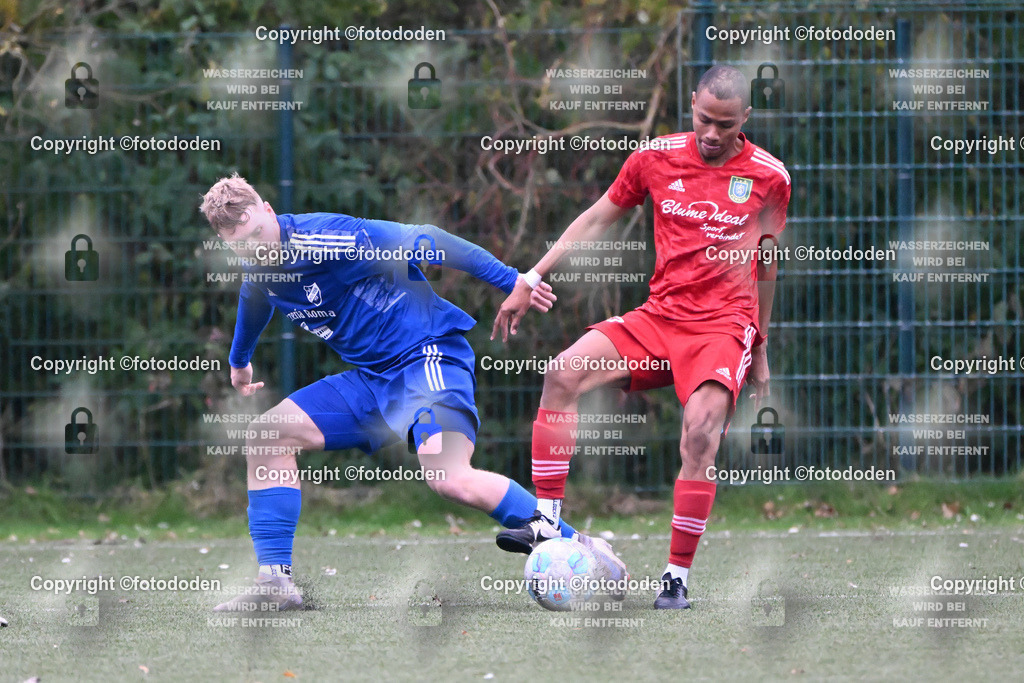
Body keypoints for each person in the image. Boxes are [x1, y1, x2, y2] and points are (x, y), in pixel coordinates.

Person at [199, 174, 624, 611]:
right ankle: (275, 583)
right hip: (372, 380)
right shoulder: (259, 265)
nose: (256, 248)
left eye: (258, 233)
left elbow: (428, 238)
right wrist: (239, 360)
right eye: (242, 245)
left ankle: (584, 549)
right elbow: (256, 297)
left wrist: (512, 281)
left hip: (427, 359)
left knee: (449, 478)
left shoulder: (329, 238)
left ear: (269, 211)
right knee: (267, 435)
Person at [491, 65, 791, 609]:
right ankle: (547, 520)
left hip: (724, 326)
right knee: (562, 373)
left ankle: (675, 579)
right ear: (692, 103)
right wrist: (530, 278)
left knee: (699, 434)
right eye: (704, 119)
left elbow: (767, 263)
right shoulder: (654, 157)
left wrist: (761, 345)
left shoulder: (770, 177)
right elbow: (595, 219)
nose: (712, 133)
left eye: (726, 124)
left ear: (746, 117)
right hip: (660, 318)